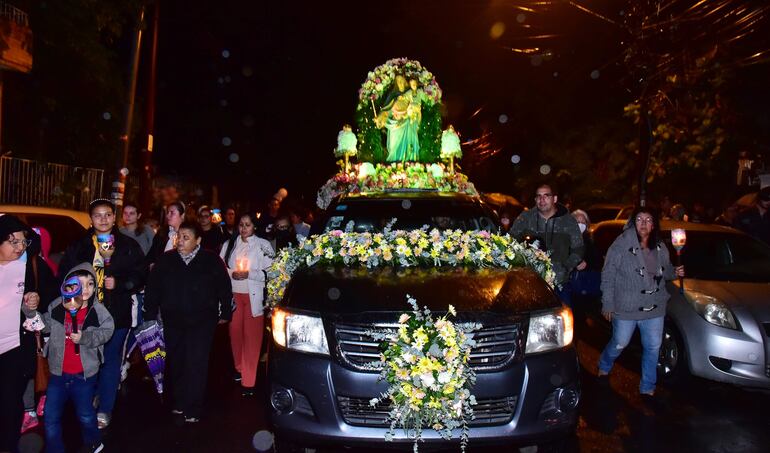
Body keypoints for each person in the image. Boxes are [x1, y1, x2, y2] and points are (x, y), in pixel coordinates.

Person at [58, 199, 146, 429]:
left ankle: (105, 408)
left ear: (114, 217)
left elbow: (141, 274)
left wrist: (120, 283)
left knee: (110, 361)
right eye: (98, 215)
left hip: (117, 313)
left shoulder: (127, 245)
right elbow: (65, 273)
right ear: (91, 219)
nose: (103, 219)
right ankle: (87, 402)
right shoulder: (80, 245)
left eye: (108, 214)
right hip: (87, 315)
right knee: (89, 360)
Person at [143, 221, 233, 422]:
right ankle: (179, 402)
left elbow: (224, 287)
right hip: (173, 320)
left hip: (202, 321)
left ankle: (194, 407)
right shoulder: (166, 260)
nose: (180, 241)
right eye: (179, 237)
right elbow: (153, 288)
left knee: (196, 362)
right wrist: (150, 312)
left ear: (198, 240)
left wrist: (226, 311)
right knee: (176, 361)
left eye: (186, 237)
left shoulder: (211, 260)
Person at [598, 208, 684, 397]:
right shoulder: (620, 244)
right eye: (639, 219)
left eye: (648, 219)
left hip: (654, 305)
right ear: (632, 223)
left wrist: (674, 272)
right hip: (626, 306)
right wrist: (608, 303)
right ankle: (604, 363)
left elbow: (664, 271)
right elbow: (608, 274)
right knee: (620, 342)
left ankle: (647, 387)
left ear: (654, 224)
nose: (644, 223)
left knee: (653, 347)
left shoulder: (660, 246)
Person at [39, 264, 114, 453]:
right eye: (79, 284)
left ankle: (93, 441)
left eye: (90, 284)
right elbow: (44, 325)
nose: (86, 289)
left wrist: (85, 338)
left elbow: (107, 331)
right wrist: (31, 311)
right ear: (68, 286)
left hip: (84, 374)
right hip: (58, 372)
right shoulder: (57, 306)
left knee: (86, 415)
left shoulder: (97, 310)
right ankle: (55, 449)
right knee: (50, 416)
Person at [0, 215, 57, 452]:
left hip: (15, 348)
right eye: (13, 241)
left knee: (10, 403)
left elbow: (53, 298)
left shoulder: (32, 266)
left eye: (23, 242)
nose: (19, 247)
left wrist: (37, 299)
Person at [220, 213, 274, 396]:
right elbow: (220, 268)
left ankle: (249, 381)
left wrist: (249, 274)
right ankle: (239, 367)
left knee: (252, 337)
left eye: (248, 225)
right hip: (234, 296)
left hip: (253, 297)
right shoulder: (230, 244)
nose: (244, 228)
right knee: (235, 334)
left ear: (254, 226)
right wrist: (231, 273)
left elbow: (272, 271)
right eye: (241, 225)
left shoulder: (263, 245)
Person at [511, 184, 584, 304]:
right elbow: (510, 242)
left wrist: (565, 268)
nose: (542, 200)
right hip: (530, 284)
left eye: (546, 196)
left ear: (554, 199)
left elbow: (578, 249)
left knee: (563, 320)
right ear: (535, 200)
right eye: (539, 196)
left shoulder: (568, 221)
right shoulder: (525, 218)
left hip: (559, 285)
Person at [375, 75, 421, 162]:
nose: (400, 83)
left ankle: (409, 162)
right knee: (395, 144)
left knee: (409, 144)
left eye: (401, 80)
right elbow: (386, 111)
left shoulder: (409, 93)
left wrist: (410, 113)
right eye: (398, 81)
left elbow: (415, 105)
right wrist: (379, 119)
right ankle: (395, 163)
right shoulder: (392, 95)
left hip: (407, 122)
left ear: (404, 81)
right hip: (395, 124)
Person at [569, 210, 602, 309]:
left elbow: (599, 262)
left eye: (583, 222)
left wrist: (587, 264)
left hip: (584, 289)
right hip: (568, 288)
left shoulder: (591, 242)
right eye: (577, 222)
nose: (580, 225)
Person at [147, 201, 186, 266]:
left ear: (182, 215)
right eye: (167, 213)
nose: (168, 216)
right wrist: (152, 264)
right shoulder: (162, 233)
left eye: (172, 213)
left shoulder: (188, 235)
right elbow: (152, 254)